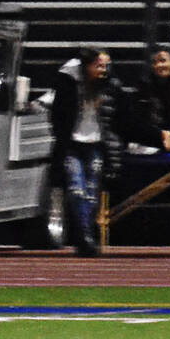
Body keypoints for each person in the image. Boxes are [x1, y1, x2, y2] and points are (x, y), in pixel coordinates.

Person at [48, 48, 122, 257]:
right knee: (76, 189)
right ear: (87, 66)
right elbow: (58, 113)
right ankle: (84, 236)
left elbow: (119, 117)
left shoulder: (109, 85)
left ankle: (86, 234)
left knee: (91, 192)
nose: (102, 69)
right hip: (73, 144)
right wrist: (61, 136)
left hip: (96, 143)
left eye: (105, 66)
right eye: (98, 65)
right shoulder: (69, 82)